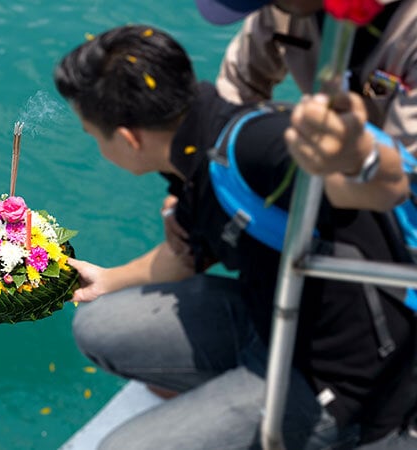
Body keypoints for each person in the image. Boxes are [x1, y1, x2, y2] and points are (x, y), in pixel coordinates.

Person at [54, 24, 416, 448]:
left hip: (345, 382)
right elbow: (184, 253)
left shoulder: (258, 147)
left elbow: (363, 188)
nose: (98, 148)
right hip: (273, 319)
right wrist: (105, 279)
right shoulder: (198, 143)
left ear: (130, 139)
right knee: (97, 326)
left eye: (94, 136)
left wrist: (360, 159)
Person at [161, 0, 417, 263]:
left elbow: (405, 172)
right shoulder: (281, 9)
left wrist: (355, 164)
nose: (269, 9)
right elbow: (238, 89)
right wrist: (192, 186)